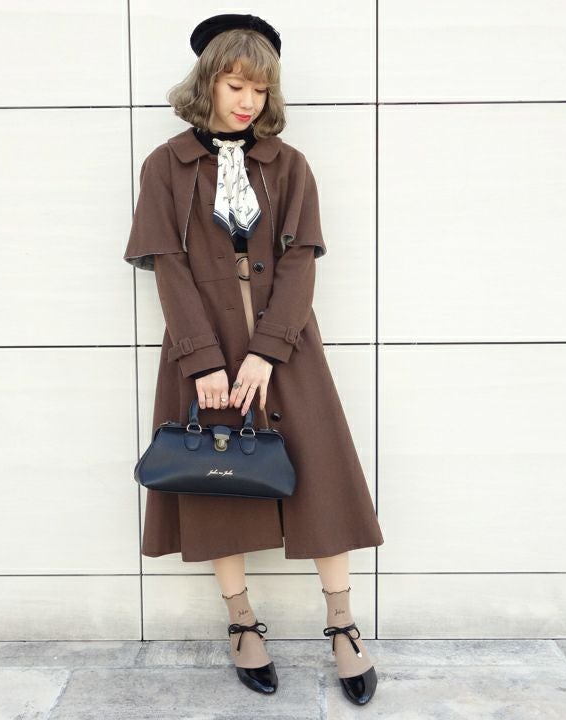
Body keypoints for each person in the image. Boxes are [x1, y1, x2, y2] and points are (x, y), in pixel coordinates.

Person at [123, 12, 384, 707]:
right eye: (236, 84)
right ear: (208, 81)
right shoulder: (165, 165)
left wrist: (269, 351)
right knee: (214, 479)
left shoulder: (288, 165)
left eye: (260, 89)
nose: (248, 101)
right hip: (201, 341)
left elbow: (301, 259)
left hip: (287, 341)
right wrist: (202, 361)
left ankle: (342, 623)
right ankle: (242, 622)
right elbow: (168, 266)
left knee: (321, 477)